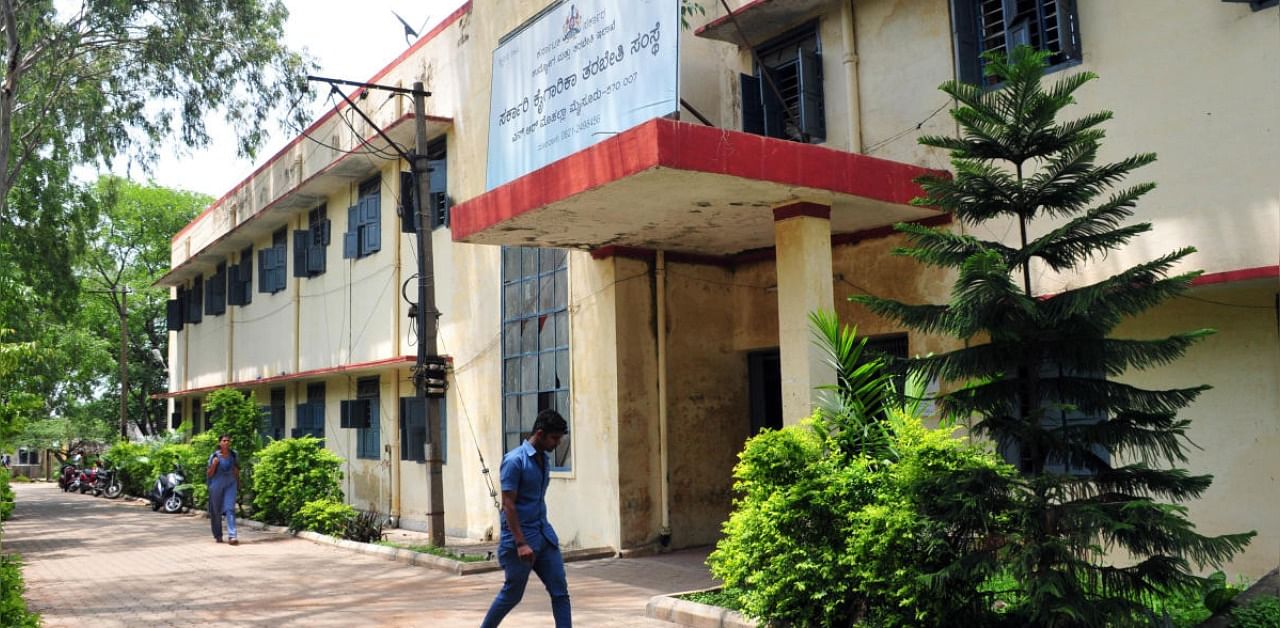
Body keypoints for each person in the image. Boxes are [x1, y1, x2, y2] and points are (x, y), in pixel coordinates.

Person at [481, 409, 571, 627]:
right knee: (512, 594)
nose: (558, 443)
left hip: (544, 535)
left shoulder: (543, 460)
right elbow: (508, 504)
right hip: (520, 540)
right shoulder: (514, 461)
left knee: (560, 593)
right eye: (554, 438)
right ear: (539, 434)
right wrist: (521, 543)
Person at [206, 434, 240, 545]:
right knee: (216, 511)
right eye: (224, 441)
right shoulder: (214, 456)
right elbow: (209, 474)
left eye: (228, 441)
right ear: (220, 443)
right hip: (216, 484)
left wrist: (239, 484)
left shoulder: (234, 455)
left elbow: (236, 470)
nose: (226, 442)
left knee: (230, 508)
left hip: (231, 484)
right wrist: (214, 465)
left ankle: (232, 536)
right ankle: (218, 535)